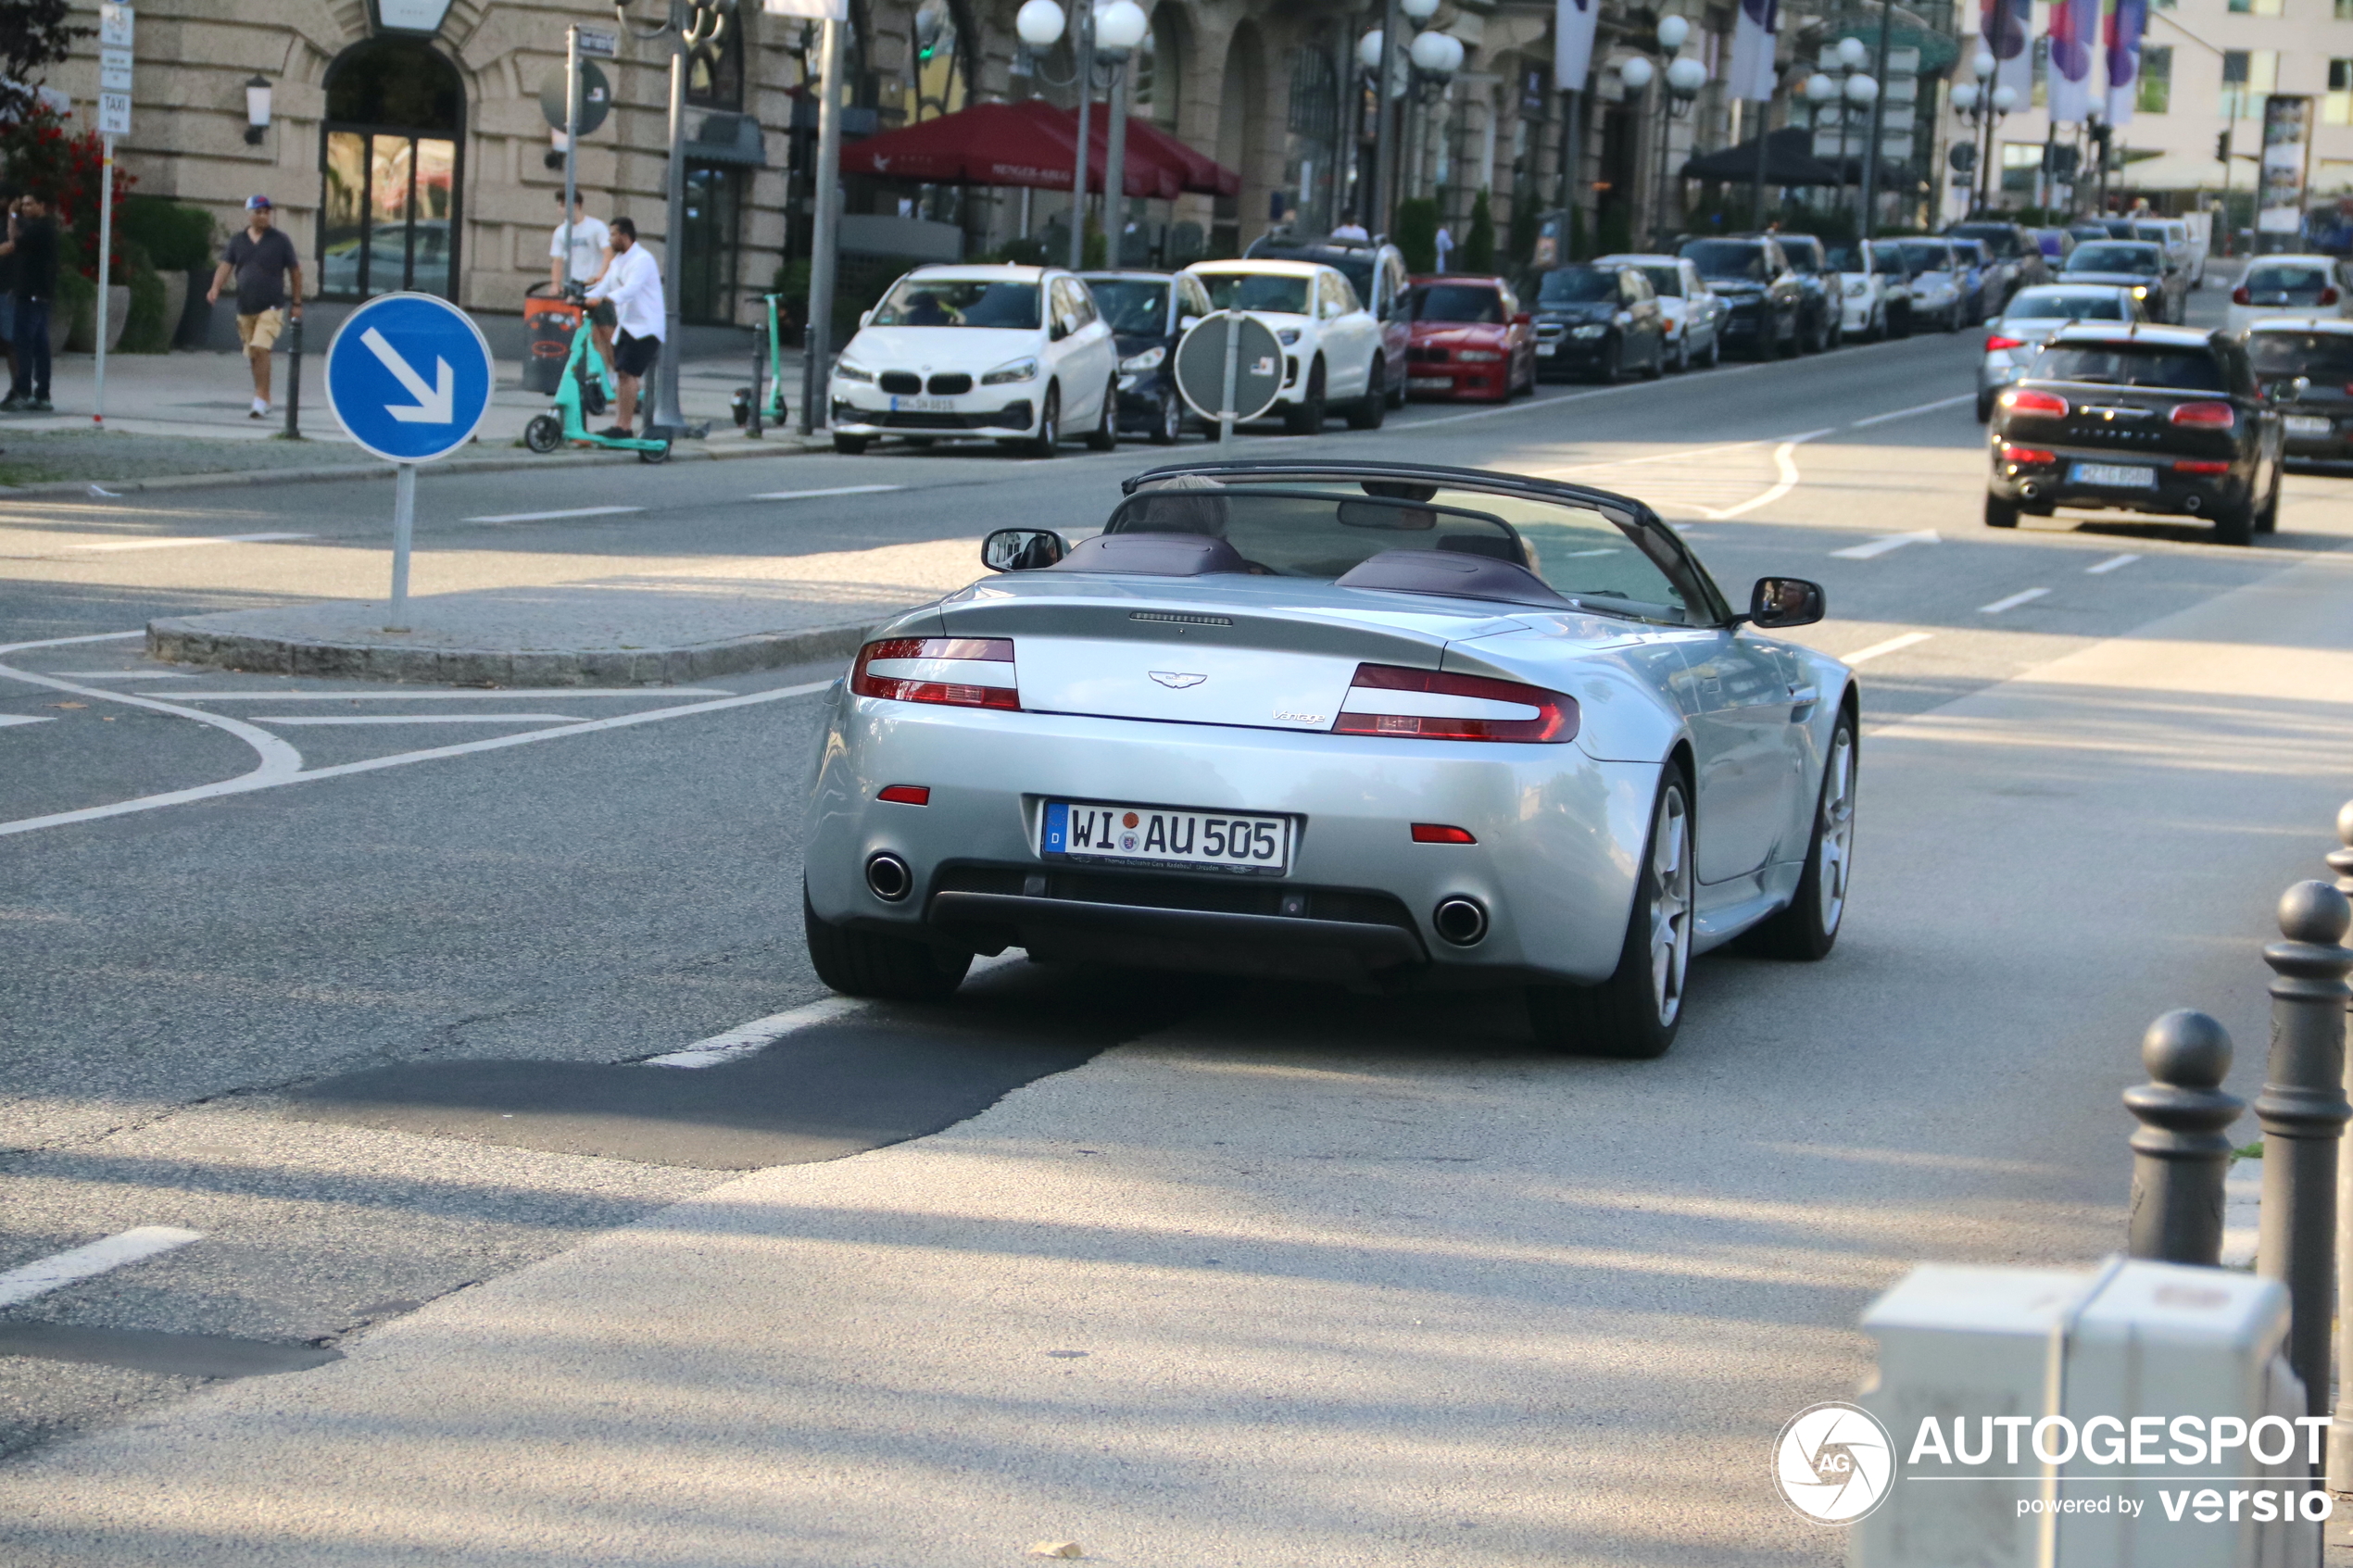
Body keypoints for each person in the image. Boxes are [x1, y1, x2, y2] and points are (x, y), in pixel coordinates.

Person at [208, 195, 303, 419]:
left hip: (271, 305)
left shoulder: (280, 240)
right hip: (245, 306)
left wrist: (297, 303)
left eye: (266, 212)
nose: (263, 216)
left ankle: (260, 398)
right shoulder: (238, 241)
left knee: (261, 347)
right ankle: (265, 397)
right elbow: (225, 266)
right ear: (249, 214)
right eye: (258, 212)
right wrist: (215, 288)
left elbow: (295, 272)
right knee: (253, 353)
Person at [583, 216, 662, 437]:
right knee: (622, 374)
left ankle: (624, 426)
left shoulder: (643, 260)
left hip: (646, 327)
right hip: (627, 326)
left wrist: (603, 299)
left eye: (613, 234)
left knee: (628, 374)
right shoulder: (618, 262)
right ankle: (621, 425)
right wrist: (582, 296)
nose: (610, 240)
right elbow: (603, 285)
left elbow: (630, 289)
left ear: (625, 236)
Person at [0, 191, 58, 412]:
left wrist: (11, 215)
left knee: (23, 344)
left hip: (32, 296)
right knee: (40, 346)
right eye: (22, 205)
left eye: (30, 204)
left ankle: (23, 391)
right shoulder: (41, 228)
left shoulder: (40, 229)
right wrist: (14, 217)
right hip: (39, 295)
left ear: (42, 205)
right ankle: (42, 393)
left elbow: (12, 242)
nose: (25, 208)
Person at [548, 191, 614, 365]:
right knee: (591, 334)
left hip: (597, 287)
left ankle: (615, 371)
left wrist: (601, 276)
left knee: (607, 332)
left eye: (562, 205)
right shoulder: (561, 232)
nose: (559, 210)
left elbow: (608, 253)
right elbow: (557, 260)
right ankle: (599, 374)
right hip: (576, 288)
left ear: (575, 205)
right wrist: (555, 284)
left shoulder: (596, 227)